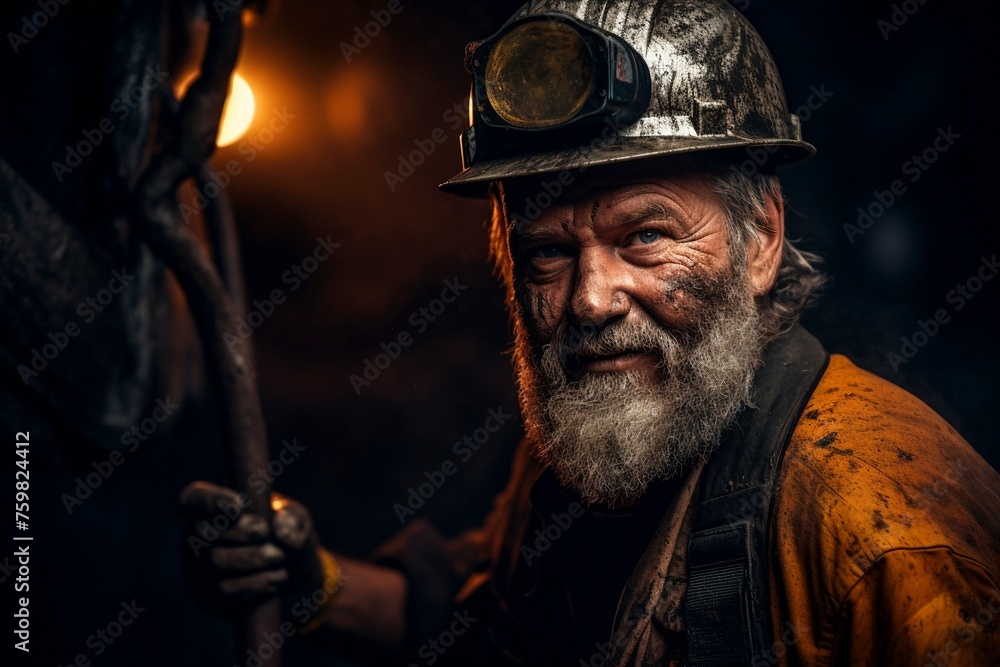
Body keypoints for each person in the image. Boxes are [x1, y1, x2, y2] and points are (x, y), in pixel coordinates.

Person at [180, 1, 1000, 665]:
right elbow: (490, 621)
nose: (590, 301)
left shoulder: (883, 536)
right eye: (547, 252)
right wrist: (310, 583)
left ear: (763, 241)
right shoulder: (599, 433)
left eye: (645, 235)